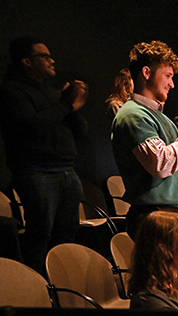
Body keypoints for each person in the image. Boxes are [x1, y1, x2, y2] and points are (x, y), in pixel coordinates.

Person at [0, 37, 88, 275]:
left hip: (67, 172)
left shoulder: (51, 93)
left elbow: (80, 131)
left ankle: (61, 286)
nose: (52, 60)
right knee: (40, 236)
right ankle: (36, 292)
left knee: (67, 237)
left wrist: (73, 107)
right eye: (44, 56)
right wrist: (65, 105)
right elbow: (32, 127)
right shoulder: (11, 91)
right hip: (36, 173)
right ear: (27, 61)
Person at [111, 40, 178, 238]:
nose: (172, 84)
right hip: (157, 216)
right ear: (147, 73)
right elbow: (161, 164)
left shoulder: (161, 116)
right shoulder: (133, 115)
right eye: (167, 76)